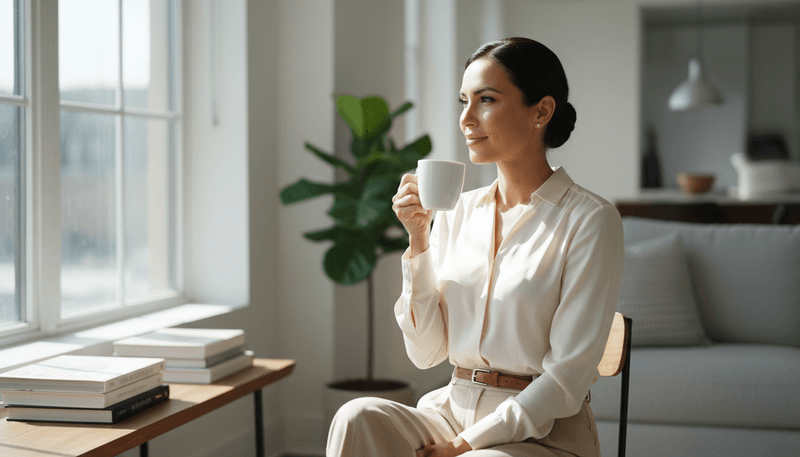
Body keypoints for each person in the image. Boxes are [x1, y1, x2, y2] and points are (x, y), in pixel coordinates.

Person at [327, 37, 624, 457]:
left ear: (541, 110)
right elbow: (426, 353)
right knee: (356, 417)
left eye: (485, 100)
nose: (466, 118)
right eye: (462, 102)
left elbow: (565, 380)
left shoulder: (591, 220)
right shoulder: (457, 211)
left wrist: (466, 445)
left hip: (542, 433)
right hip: (449, 410)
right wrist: (418, 241)